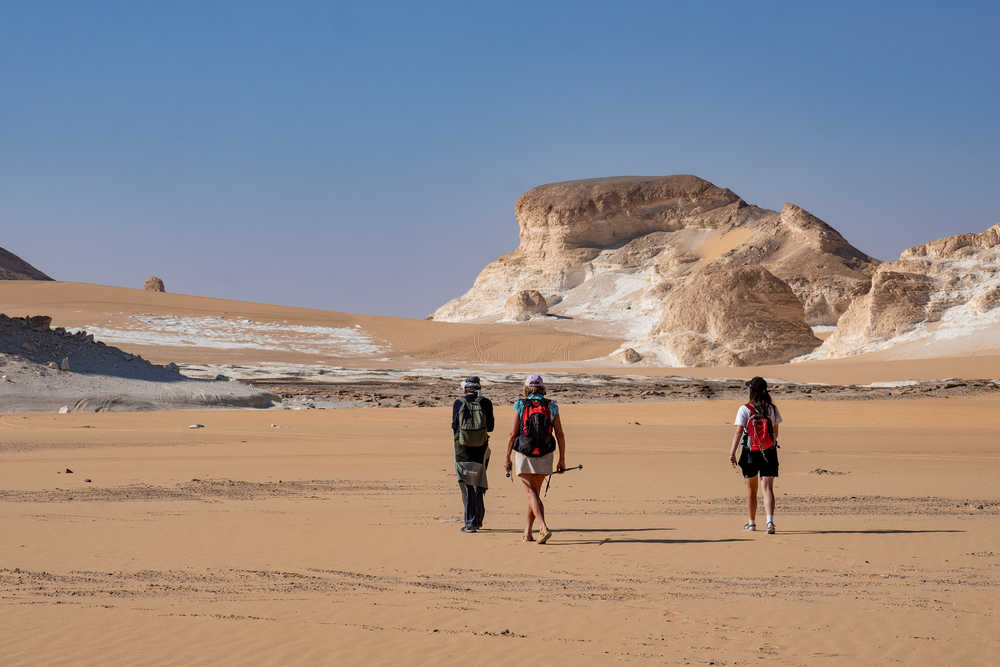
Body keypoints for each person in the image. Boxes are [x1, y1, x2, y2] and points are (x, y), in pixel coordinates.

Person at [505, 374, 566, 544]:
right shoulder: (552, 406)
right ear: (542, 387)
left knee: (531, 494)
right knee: (535, 495)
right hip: (545, 453)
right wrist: (562, 459)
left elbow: (513, 434)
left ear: (526, 388)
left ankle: (543, 527)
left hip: (524, 453)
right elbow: (560, 434)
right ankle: (527, 532)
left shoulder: (520, 405)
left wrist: (507, 457)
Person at [728, 376, 782, 534]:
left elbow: (739, 432)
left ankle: (751, 523)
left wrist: (732, 452)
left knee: (751, 490)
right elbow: (775, 432)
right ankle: (770, 522)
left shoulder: (745, 409)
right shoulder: (772, 409)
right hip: (769, 452)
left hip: (750, 452)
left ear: (751, 391)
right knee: (768, 488)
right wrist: (768, 444)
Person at [452, 376, 494, 533]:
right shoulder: (486, 402)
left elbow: (454, 426)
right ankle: (478, 519)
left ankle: (470, 523)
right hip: (481, 448)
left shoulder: (458, 403)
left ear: (465, 389)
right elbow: (491, 427)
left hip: (462, 449)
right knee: (478, 482)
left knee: (466, 484)